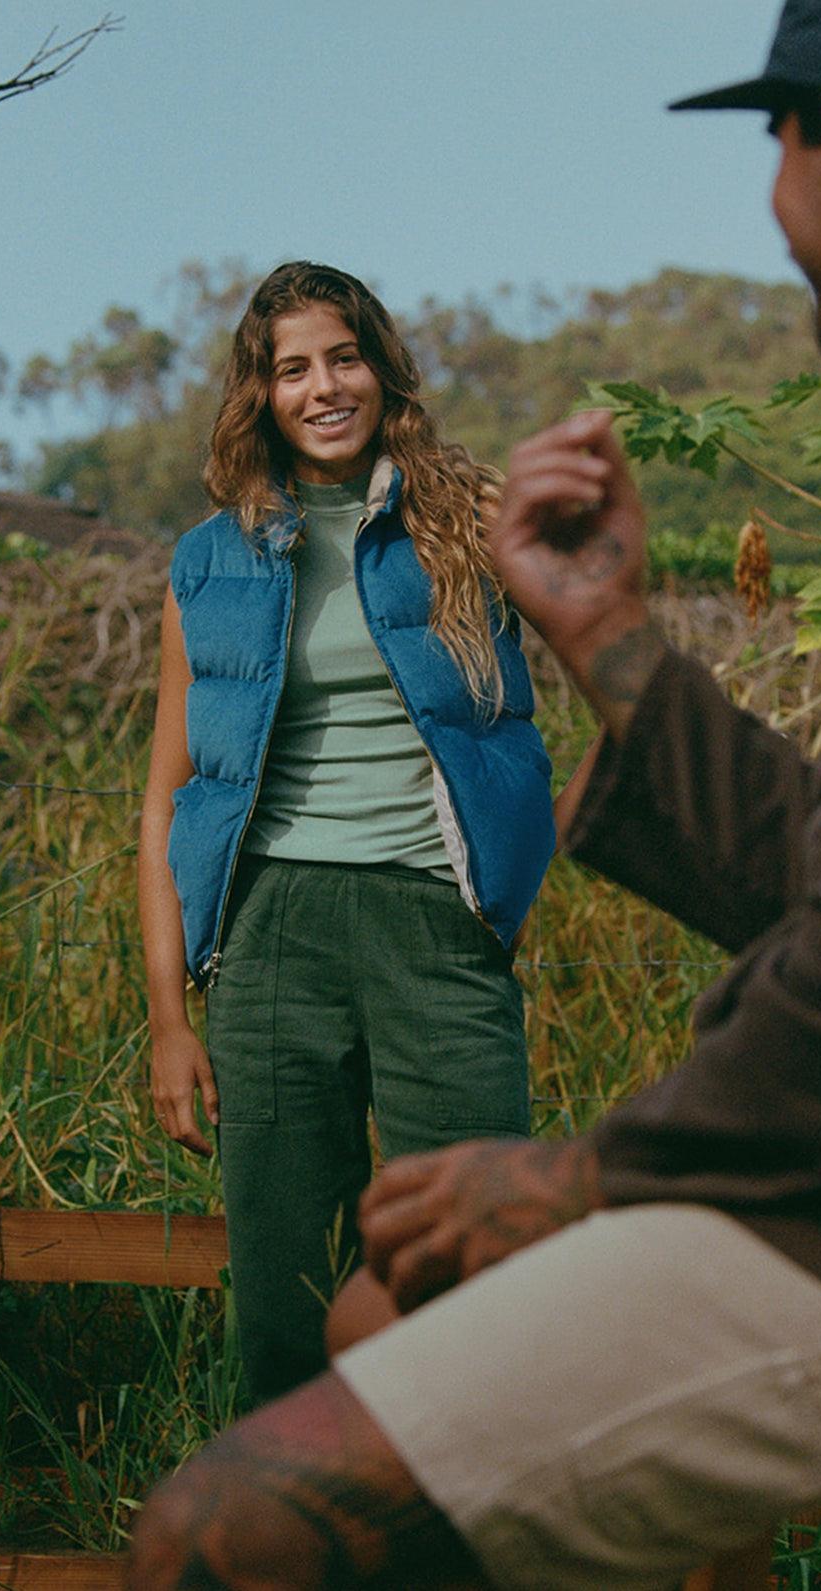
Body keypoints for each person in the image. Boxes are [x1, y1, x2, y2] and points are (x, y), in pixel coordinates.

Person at [127, 1, 821, 1585]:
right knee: (356, 1307)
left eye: (771, 147)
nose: (772, 212)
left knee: (226, 1525)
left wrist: (592, 1171)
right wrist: (607, 634)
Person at [136, 261, 556, 1402]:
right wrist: (170, 1018)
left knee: (470, 1274)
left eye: (342, 356)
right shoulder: (207, 560)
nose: (323, 386)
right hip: (270, 937)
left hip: (439, 924)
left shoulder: (469, 523)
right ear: (259, 393)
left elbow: (605, 657)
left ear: (379, 366)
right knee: (286, 1298)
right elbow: (168, 795)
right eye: (292, 368)